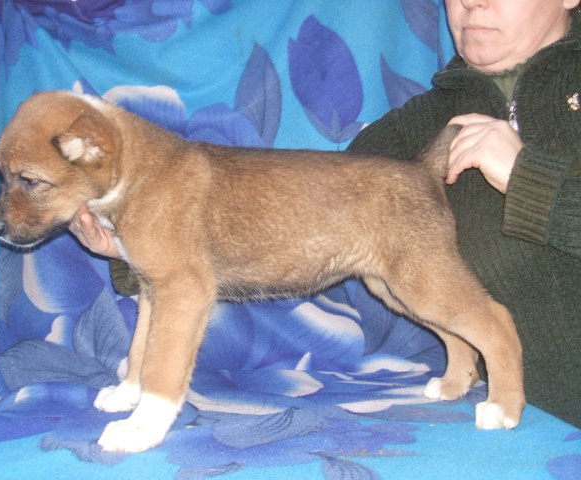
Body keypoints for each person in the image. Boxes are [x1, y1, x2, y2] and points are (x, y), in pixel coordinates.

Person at [69, 0, 581, 427]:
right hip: (536, 432)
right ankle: (462, 360)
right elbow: (296, 210)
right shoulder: (422, 119)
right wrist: (135, 242)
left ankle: (493, 356)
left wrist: (531, 180)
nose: (473, 1)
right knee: (404, 282)